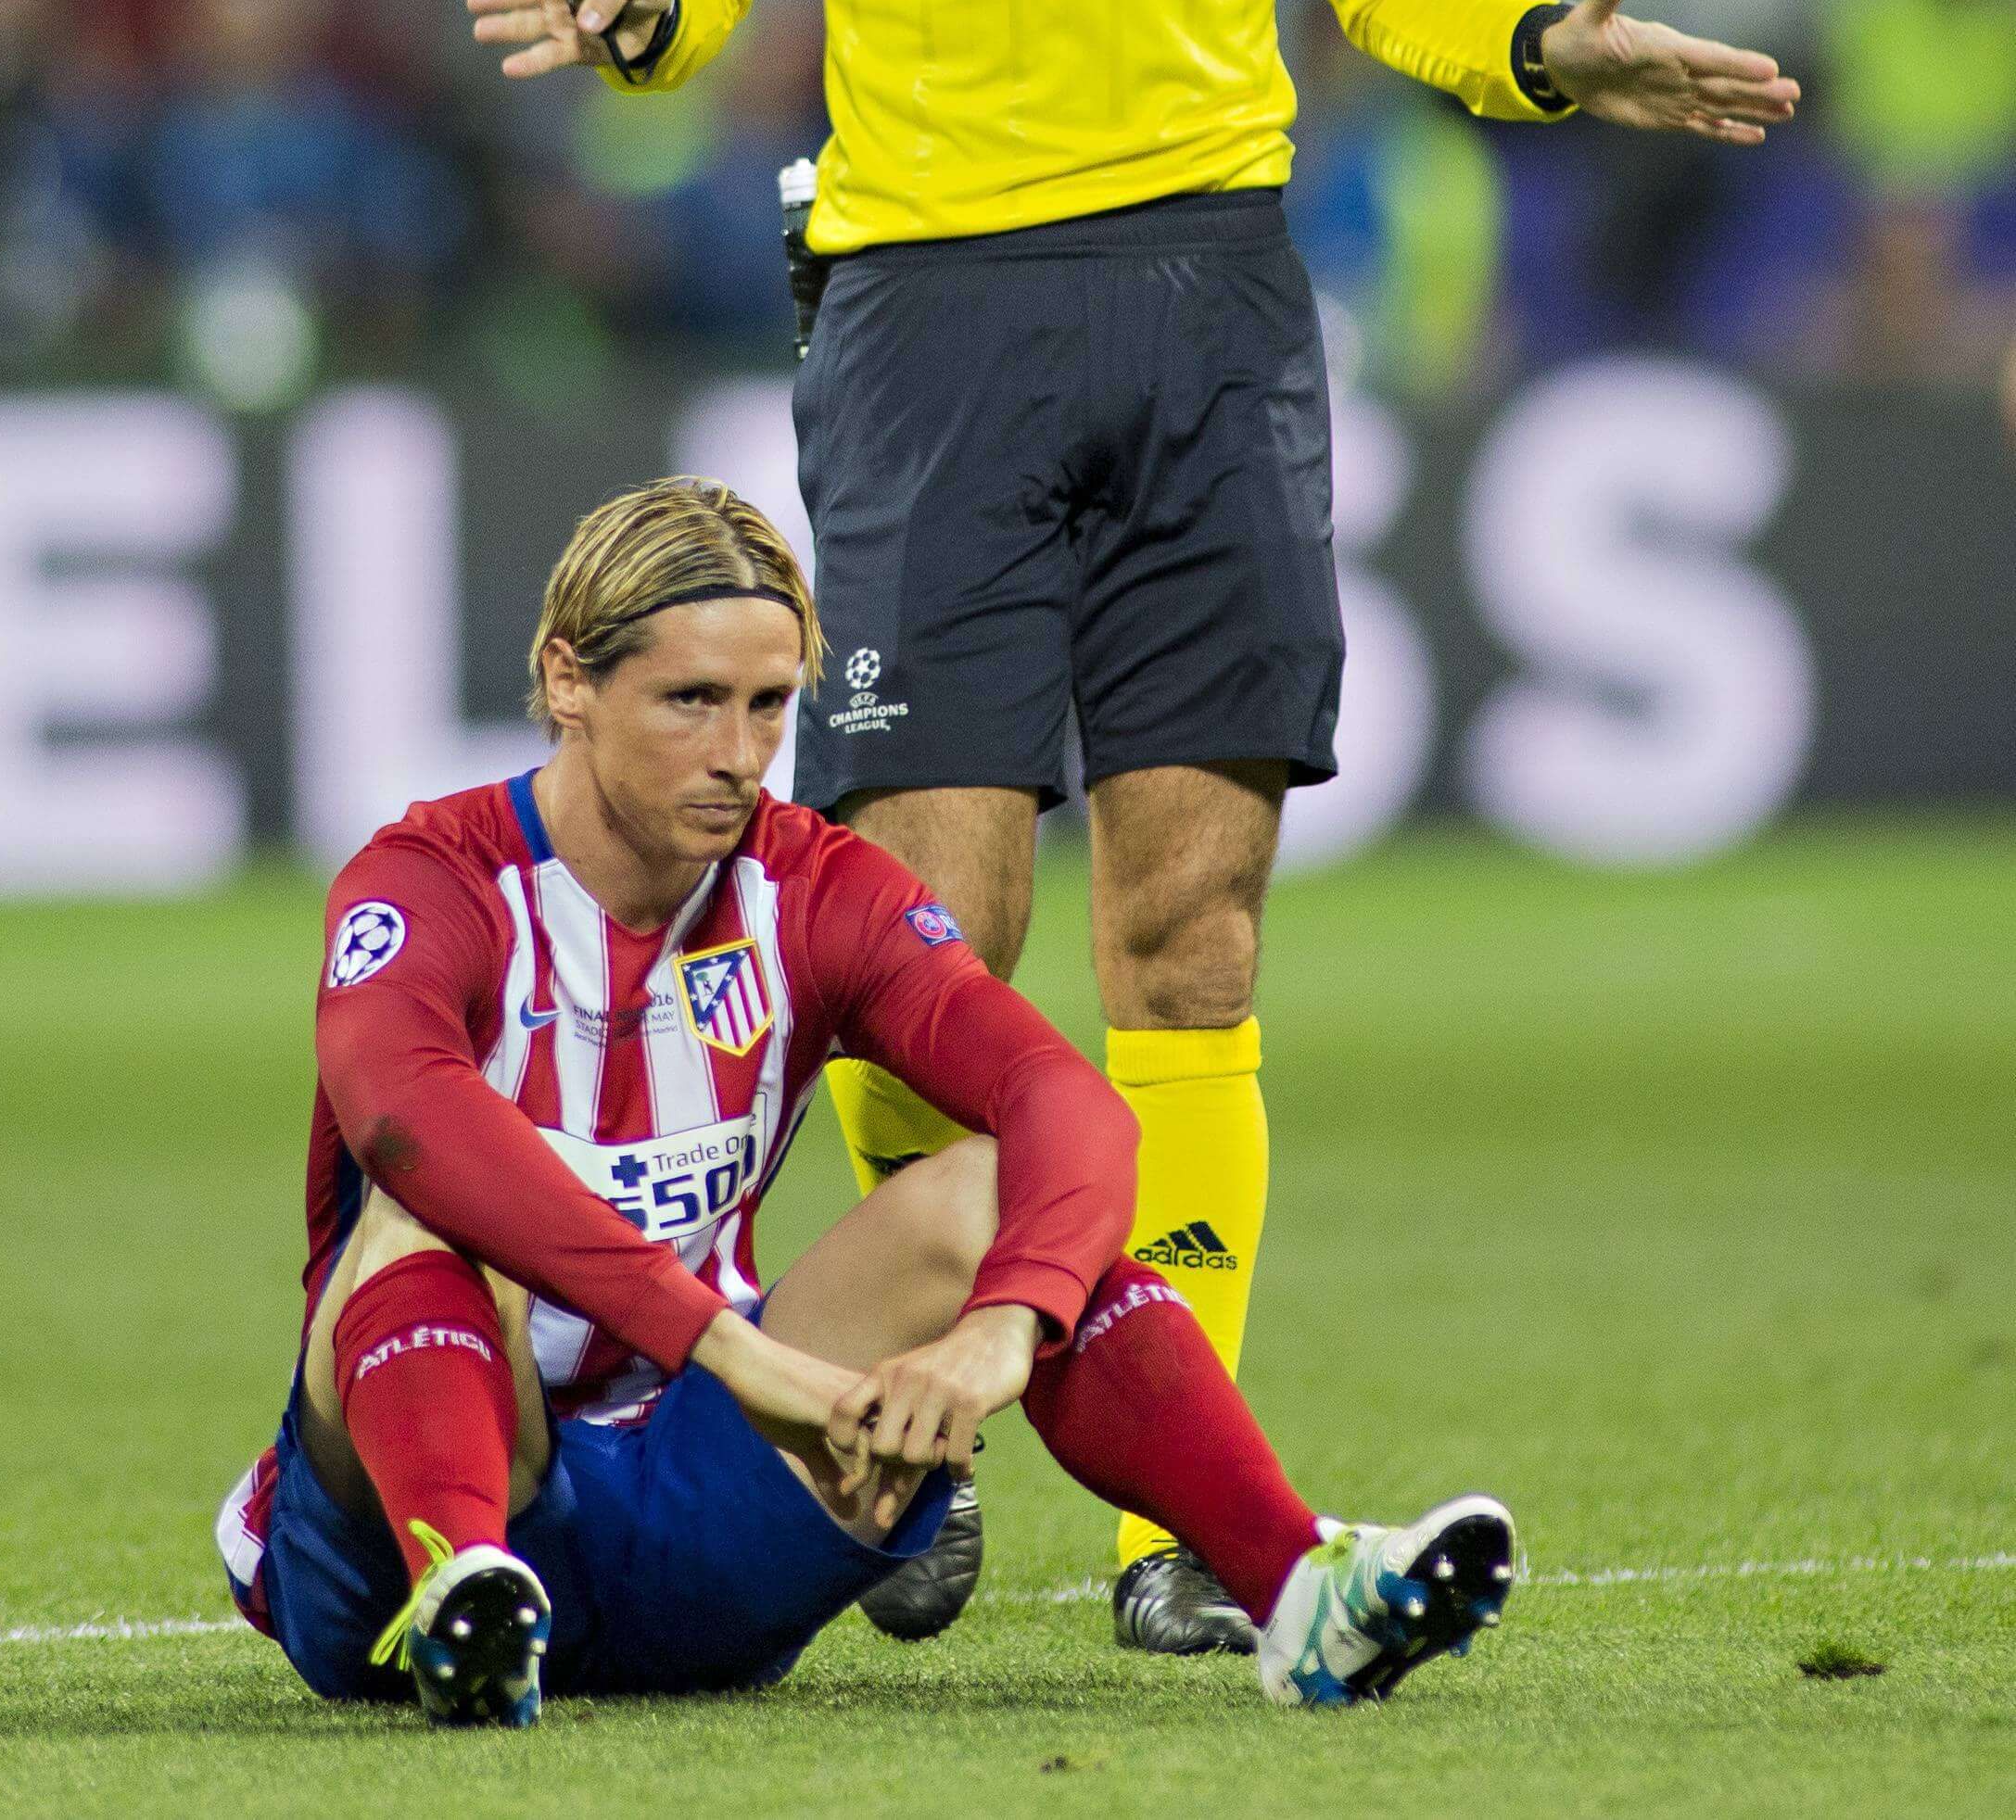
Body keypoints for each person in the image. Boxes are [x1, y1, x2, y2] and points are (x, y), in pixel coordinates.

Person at [463, 0, 1794, 1656]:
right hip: (934, 319)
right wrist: (637, 9)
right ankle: (899, 1432)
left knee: (1190, 923)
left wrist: (1536, 46)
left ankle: (1192, 1521)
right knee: (933, 933)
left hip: (1210, 311)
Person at [213, 475, 1515, 1725]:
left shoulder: (817, 890)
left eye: (771, 705)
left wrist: (1008, 1325)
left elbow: (1064, 1100)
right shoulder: (430, 879)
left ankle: (1302, 1591)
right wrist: (724, 1342)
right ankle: (470, 1592)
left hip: (699, 1499)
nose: (738, 756)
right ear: (568, 679)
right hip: (405, 1527)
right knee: (428, 1217)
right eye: (691, 701)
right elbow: (403, 1114)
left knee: (994, 1189)